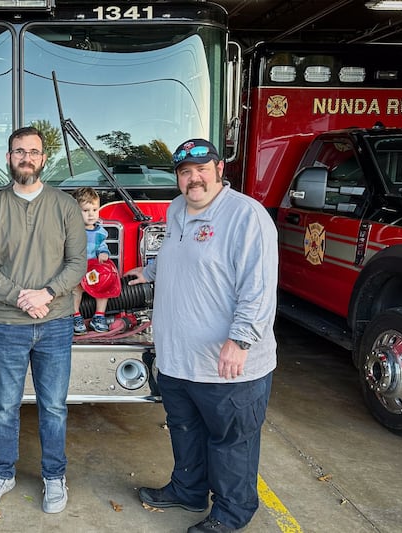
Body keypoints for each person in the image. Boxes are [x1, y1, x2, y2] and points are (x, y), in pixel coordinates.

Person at [125, 139, 278, 533]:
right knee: (185, 429)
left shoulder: (247, 217)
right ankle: (188, 490)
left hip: (227, 363)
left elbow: (258, 288)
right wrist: (150, 272)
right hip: (178, 358)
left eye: (201, 169)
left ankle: (232, 512)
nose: (194, 179)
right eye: (185, 172)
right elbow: (176, 252)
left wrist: (240, 340)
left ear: (220, 169)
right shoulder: (178, 209)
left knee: (230, 442)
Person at [0, 126, 87, 514]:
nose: (26, 157)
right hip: (7, 324)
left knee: (53, 406)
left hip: (55, 323)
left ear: (43, 159)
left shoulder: (66, 207)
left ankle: (54, 477)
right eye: (19, 151)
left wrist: (48, 294)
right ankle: (3, 473)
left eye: (34, 152)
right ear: (8, 158)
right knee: (5, 406)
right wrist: (22, 298)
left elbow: (77, 263)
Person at [71, 186, 112, 334]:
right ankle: (75, 315)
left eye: (94, 210)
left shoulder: (101, 232)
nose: (91, 215)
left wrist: (103, 253)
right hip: (78, 270)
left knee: (104, 288)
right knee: (76, 290)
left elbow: (102, 246)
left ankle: (99, 316)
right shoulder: (73, 230)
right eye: (86, 211)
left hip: (94, 271)